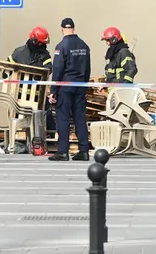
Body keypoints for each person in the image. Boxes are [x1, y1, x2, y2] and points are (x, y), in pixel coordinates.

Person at [47, 18, 92, 161]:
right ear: (74, 28)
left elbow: (58, 69)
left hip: (65, 88)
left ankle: (62, 151)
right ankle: (84, 151)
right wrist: (84, 85)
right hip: (80, 86)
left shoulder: (61, 46)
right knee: (80, 118)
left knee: (63, 118)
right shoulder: (84, 46)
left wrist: (53, 91)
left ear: (62, 29)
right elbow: (88, 69)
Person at [6, 26, 55, 130]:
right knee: (19, 115)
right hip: (21, 94)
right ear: (34, 41)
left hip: (36, 94)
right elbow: (7, 69)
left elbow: (48, 69)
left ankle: (50, 133)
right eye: (41, 43)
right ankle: (19, 132)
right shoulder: (19, 52)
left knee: (47, 114)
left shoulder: (44, 55)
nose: (43, 46)